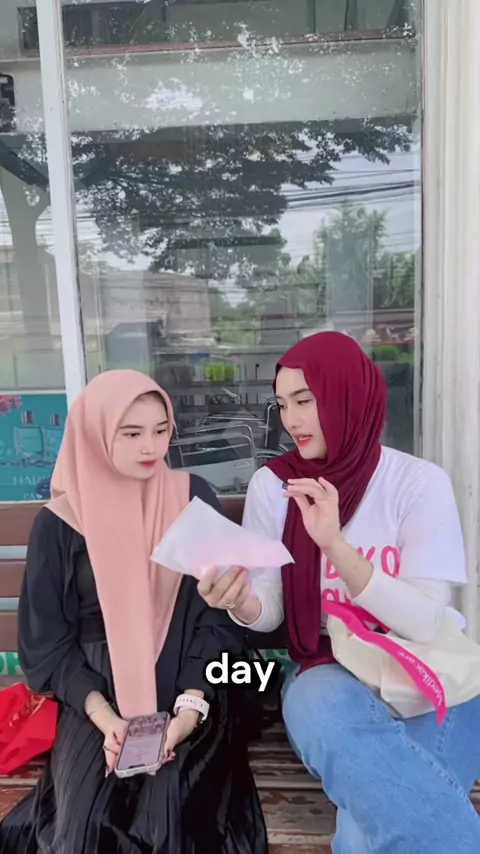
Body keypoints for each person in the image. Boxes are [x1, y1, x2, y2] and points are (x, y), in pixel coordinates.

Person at [198, 331, 480, 854]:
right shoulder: (274, 487)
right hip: (327, 672)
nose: (292, 419)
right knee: (329, 716)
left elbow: (422, 621)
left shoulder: (417, 483)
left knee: (365, 831)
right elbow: (271, 607)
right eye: (283, 404)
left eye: (305, 400)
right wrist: (240, 601)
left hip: (430, 673)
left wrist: (334, 546)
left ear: (347, 393)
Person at [0, 370, 268, 854]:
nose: (151, 446)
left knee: (172, 817)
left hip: (193, 682)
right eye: (131, 433)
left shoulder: (191, 498)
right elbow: (48, 644)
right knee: (85, 825)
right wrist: (105, 717)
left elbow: (216, 621)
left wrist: (189, 709)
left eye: (161, 430)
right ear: (96, 434)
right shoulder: (60, 525)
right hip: (95, 695)